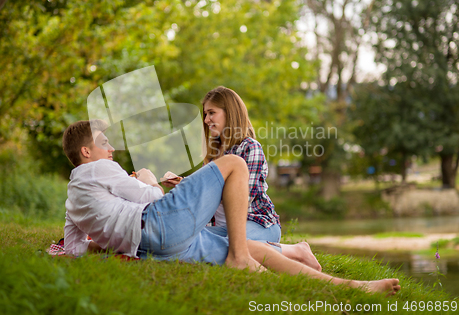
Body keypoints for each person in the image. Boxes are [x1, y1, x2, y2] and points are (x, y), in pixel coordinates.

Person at [61, 120, 401, 295]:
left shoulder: (72, 197)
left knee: (252, 248)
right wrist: (149, 179)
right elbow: (152, 200)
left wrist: (108, 241)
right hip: (159, 226)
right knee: (234, 164)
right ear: (86, 152)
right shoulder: (100, 168)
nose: (112, 148)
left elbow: (76, 248)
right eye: (104, 143)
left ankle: (354, 287)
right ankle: (239, 259)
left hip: (153, 247)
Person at [163, 86, 321, 271]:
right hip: (223, 228)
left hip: (257, 223)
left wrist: (193, 185)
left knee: (233, 246)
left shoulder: (250, 148)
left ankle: (296, 251)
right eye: (205, 114)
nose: (206, 120)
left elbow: (241, 198)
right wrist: (184, 184)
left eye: (211, 113)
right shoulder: (214, 153)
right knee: (190, 238)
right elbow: (207, 195)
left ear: (229, 113)